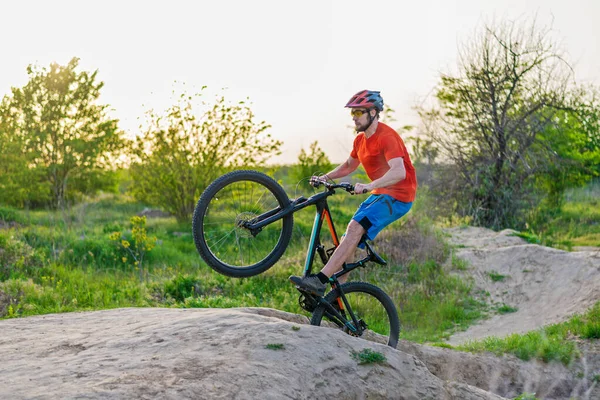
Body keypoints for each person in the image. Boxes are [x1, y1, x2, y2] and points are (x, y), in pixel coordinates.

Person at [289, 90, 417, 296]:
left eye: (359, 113)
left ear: (373, 113)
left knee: (355, 227)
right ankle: (335, 299)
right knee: (348, 240)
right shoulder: (360, 141)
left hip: (398, 196)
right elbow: (349, 165)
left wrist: (367, 185)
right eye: (353, 114)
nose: (354, 118)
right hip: (380, 193)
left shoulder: (388, 137)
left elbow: (399, 172)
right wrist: (325, 178)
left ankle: (319, 281)